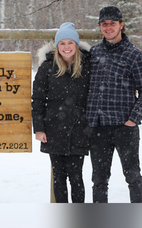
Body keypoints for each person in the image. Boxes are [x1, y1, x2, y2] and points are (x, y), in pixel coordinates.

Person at [86, 6, 142, 203]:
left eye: (112, 23)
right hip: (98, 127)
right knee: (99, 180)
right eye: (104, 24)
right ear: (100, 27)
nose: (108, 27)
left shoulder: (134, 54)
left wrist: (133, 119)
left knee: (133, 177)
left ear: (121, 25)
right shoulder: (93, 53)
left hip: (124, 127)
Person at [32, 22, 91, 203]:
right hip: (54, 130)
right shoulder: (47, 68)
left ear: (76, 45)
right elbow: (38, 100)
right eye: (62, 43)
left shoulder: (87, 67)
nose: (66, 47)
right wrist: (39, 128)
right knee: (58, 176)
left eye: (70, 43)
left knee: (76, 176)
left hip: (79, 130)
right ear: (57, 46)